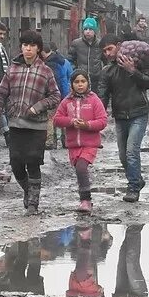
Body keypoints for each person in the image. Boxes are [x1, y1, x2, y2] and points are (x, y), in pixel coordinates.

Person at [0, 30, 61, 215]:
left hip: (37, 126)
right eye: (25, 45)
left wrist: (37, 107)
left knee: (33, 162)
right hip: (15, 124)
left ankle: (33, 204)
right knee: (16, 163)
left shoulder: (46, 71)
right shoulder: (13, 69)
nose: (28, 49)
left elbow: (55, 96)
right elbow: (0, 95)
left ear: (38, 49)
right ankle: (28, 191)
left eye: (32, 46)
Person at [98, 34, 149, 203]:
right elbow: (102, 95)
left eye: (110, 48)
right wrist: (100, 115)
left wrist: (132, 71)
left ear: (119, 45)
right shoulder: (107, 71)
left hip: (139, 113)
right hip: (120, 116)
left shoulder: (136, 63)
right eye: (104, 51)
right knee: (123, 156)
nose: (108, 53)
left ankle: (133, 188)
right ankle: (137, 178)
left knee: (131, 151)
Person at [52, 70, 108, 214]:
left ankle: (86, 200)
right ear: (71, 85)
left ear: (88, 83)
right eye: (76, 82)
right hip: (73, 145)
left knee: (81, 168)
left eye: (83, 81)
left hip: (90, 143)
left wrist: (87, 125)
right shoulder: (67, 101)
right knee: (79, 170)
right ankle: (84, 199)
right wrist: (71, 121)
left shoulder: (94, 100)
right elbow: (57, 119)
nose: (80, 85)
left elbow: (102, 121)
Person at [41, 42, 73, 151]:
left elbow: (49, 81)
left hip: (53, 94)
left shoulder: (47, 64)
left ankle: (50, 142)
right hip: (65, 93)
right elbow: (70, 76)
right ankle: (67, 141)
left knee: (51, 118)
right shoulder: (65, 62)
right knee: (64, 117)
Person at [68, 17, 104, 92]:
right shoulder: (76, 43)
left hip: (96, 81)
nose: (88, 31)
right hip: (80, 80)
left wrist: (102, 74)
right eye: (85, 29)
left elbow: (106, 61)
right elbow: (70, 60)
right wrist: (76, 71)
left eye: (90, 29)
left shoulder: (100, 44)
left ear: (95, 31)